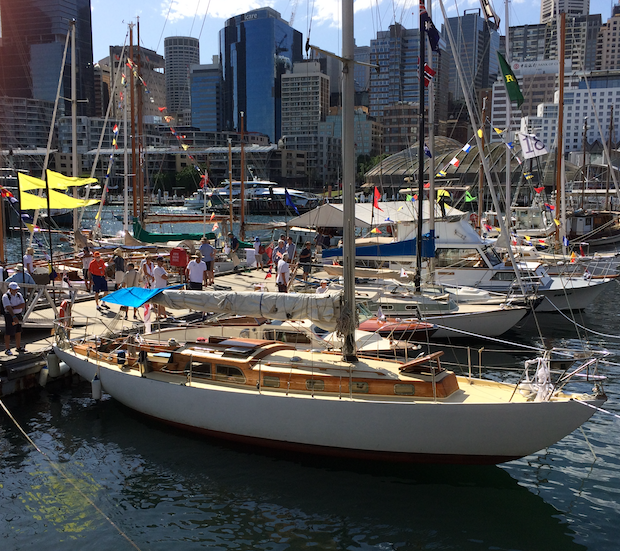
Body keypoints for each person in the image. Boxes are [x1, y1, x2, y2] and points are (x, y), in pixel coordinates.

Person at [3, 282, 26, 355]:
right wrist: (13, 316)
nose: (15, 290)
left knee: (18, 331)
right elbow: (8, 308)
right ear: (10, 289)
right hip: (9, 315)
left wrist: (14, 307)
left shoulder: (19, 295)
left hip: (18, 314)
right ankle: (7, 349)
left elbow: (23, 305)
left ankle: (18, 347)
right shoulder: (5, 296)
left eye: (16, 289)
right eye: (14, 289)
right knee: (8, 332)